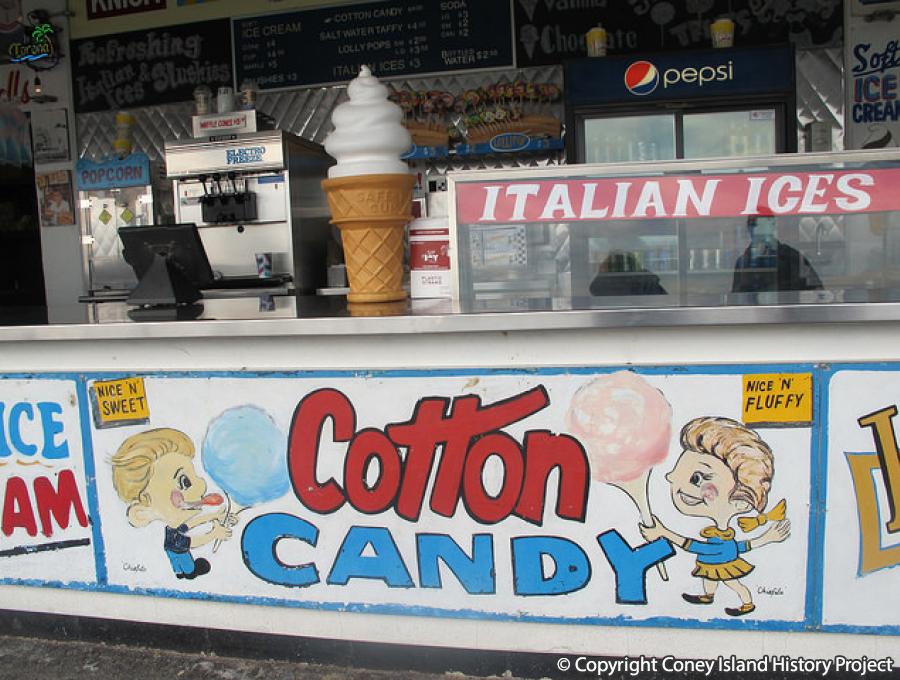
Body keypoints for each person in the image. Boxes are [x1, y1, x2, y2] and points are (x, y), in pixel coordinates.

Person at [639, 416, 790, 617]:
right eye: (678, 471)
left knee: (731, 583)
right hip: (710, 564)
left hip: (724, 564)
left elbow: (696, 546)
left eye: (696, 478)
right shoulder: (716, 532)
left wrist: (664, 532)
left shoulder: (723, 538)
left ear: (741, 502)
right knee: (709, 578)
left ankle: (747, 603)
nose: (671, 477)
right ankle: (707, 596)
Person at [111, 428, 234, 580]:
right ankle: (189, 573)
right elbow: (193, 542)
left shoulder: (173, 529)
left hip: (172, 551)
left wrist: (213, 515)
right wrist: (214, 534)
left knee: (177, 565)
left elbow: (191, 524)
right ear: (141, 514)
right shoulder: (175, 537)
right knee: (188, 566)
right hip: (178, 551)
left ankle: (179, 572)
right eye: (184, 481)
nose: (202, 485)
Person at [731, 214, 823, 293]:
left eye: (757, 225)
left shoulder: (791, 256)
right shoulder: (743, 262)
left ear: (773, 225)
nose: (754, 229)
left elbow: (816, 289)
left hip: (787, 312)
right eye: (752, 225)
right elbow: (737, 297)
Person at [590, 250, 667, 297]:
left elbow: (593, 290)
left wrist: (602, 272)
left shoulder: (603, 282)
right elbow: (662, 298)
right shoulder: (645, 279)